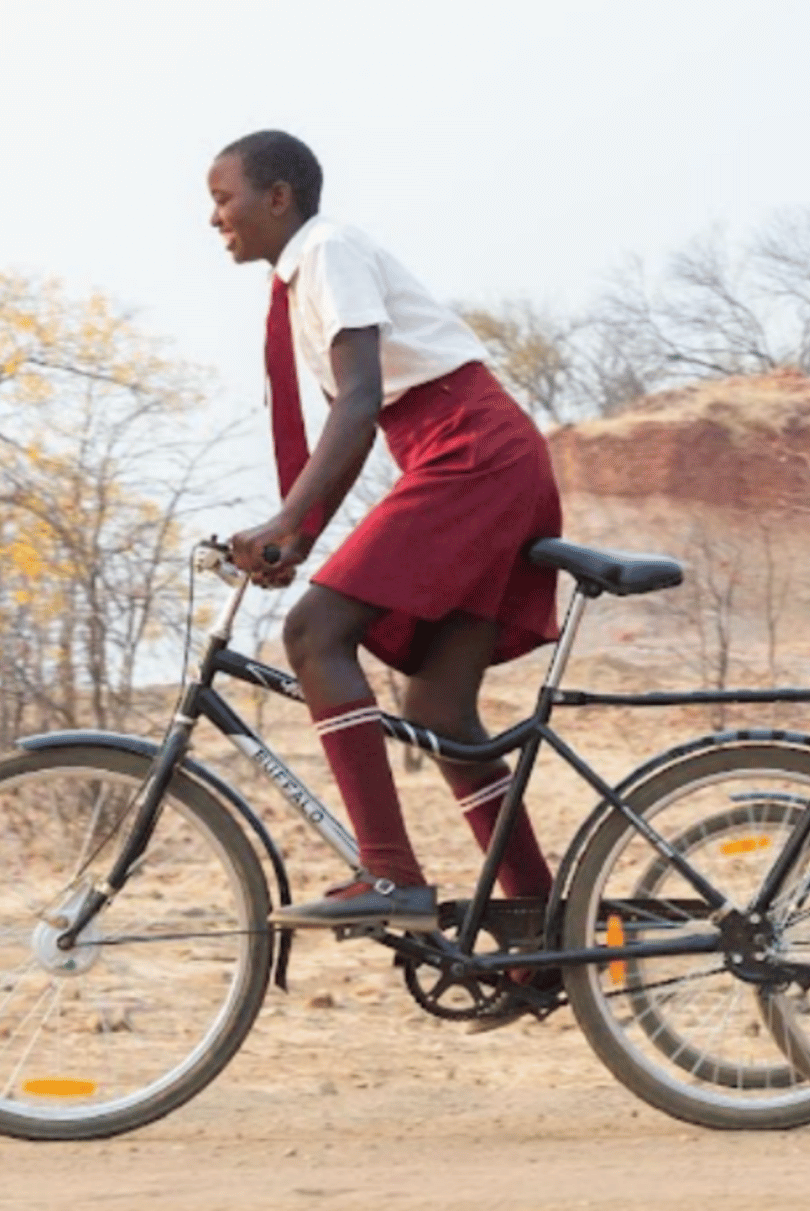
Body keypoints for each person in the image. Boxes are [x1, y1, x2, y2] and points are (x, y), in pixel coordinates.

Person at [207, 130, 561, 942]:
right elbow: (356, 420)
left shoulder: (326, 250)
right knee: (440, 708)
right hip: (476, 456)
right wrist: (296, 535)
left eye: (223, 199)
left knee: (312, 632)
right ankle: (540, 933)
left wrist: (286, 523)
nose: (214, 218)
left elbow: (361, 400)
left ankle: (389, 871)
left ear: (278, 197)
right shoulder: (304, 277)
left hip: (472, 454)